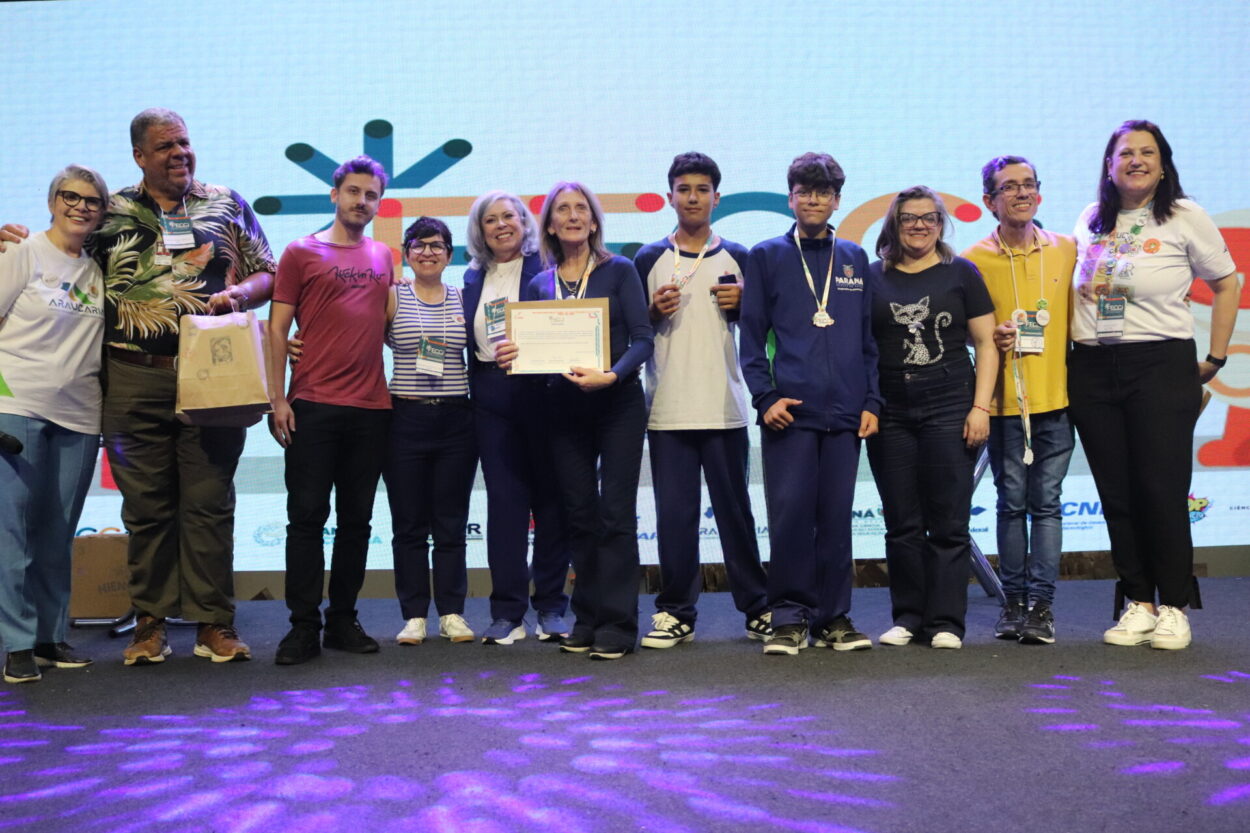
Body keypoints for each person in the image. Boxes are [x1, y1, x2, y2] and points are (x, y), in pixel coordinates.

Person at [2, 108, 276, 666]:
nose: (179, 153)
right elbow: (61, 249)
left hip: (214, 372)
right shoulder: (112, 212)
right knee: (146, 509)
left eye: (184, 143)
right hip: (130, 375)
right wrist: (11, 239)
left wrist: (242, 295)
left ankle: (213, 624)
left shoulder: (226, 202)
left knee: (209, 502)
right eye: (165, 147)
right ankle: (149, 624)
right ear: (139, 157)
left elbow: (266, 269)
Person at [1070, 120, 1238, 651]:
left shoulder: (1185, 216)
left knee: (1161, 490)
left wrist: (1215, 356)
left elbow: (1227, 282)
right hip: (1093, 367)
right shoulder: (1090, 219)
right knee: (1116, 493)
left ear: (1163, 163)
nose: (1136, 161)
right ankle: (1138, 602)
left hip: (1160, 365)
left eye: (1147, 152)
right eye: (1125, 153)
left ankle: (1174, 606)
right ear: (1109, 164)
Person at [495, 182, 653, 660]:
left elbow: (643, 339)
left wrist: (612, 374)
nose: (572, 216)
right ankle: (587, 618)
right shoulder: (540, 284)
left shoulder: (619, 270)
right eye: (562, 209)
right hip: (563, 409)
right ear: (548, 224)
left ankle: (620, 623)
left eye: (581, 208)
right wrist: (513, 354)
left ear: (594, 219)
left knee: (615, 516)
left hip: (618, 405)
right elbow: (535, 350)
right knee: (578, 516)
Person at [739, 152, 881, 657]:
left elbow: (866, 341)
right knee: (791, 515)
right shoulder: (767, 256)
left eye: (824, 192)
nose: (814, 199)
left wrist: (871, 400)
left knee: (837, 518)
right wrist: (765, 397)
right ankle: (788, 618)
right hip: (790, 412)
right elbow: (752, 338)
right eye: (805, 191)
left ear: (837, 200)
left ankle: (834, 618)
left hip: (845, 413)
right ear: (791, 198)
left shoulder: (854, 259)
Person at [632, 152, 770, 649]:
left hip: (725, 406)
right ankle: (675, 611)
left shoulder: (741, 257)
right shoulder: (647, 259)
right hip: (667, 408)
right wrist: (649, 312)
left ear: (717, 197)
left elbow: (763, 332)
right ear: (670, 195)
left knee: (737, 514)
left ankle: (758, 608)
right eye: (683, 188)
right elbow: (632, 332)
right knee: (674, 517)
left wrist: (745, 308)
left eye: (702, 189)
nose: (692, 197)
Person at [267, 156, 394, 665]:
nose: (361, 202)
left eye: (371, 196)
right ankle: (302, 627)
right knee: (305, 520)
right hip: (312, 406)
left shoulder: (385, 256)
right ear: (334, 194)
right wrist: (277, 399)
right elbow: (277, 329)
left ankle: (343, 619)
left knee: (357, 523)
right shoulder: (301, 252)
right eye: (354, 192)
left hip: (372, 409)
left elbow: (388, 327)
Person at [868, 186, 998, 650]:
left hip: (950, 406)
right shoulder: (872, 277)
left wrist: (980, 408)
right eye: (908, 218)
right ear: (894, 225)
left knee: (948, 521)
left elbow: (985, 344)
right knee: (901, 522)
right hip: (891, 413)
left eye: (929, 218)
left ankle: (946, 622)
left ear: (942, 224)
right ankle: (907, 617)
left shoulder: (961, 273)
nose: (919, 225)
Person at [962, 156, 1077, 645]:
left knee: (1047, 505)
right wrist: (990, 335)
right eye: (1009, 187)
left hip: (1056, 401)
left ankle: (1042, 607)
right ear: (990, 201)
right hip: (1006, 404)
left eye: (1029, 185)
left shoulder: (1067, 250)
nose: (1021, 193)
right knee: (1011, 505)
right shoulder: (973, 260)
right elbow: (965, 334)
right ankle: (1012, 604)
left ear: (1040, 194)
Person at [0, 165, 109, 683]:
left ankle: (49, 636)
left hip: (80, 416)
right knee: (11, 534)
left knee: (57, 533)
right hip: (16, 409)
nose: (81, 206)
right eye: (71, 196)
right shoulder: (21, 253)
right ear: (52, 200)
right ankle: (17, 643)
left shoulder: (98, 269)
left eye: (92, 201)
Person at [461, 192, 571, 646]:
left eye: (510, 216)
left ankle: (550, 607)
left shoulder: (548, 268)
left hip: (542, 392)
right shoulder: (471, 277)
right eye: (491, 219)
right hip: (490, 395)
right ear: (480, 230)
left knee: (551, 502)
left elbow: (563, 327)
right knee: (504, 506)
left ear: (526, 223)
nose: (502, 225)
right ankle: (507, 612)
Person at [386, 217, 478, 647]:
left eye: (437, 245)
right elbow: (357, 341)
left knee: (450, 522)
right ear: (406, 252)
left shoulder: (464, 298)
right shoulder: (391, 297)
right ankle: (414, 615)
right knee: (408, 524)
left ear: (450, 254)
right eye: (419, 245)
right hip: (404, 418)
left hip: (457, 421)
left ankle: (453, 612)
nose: (428, 252)